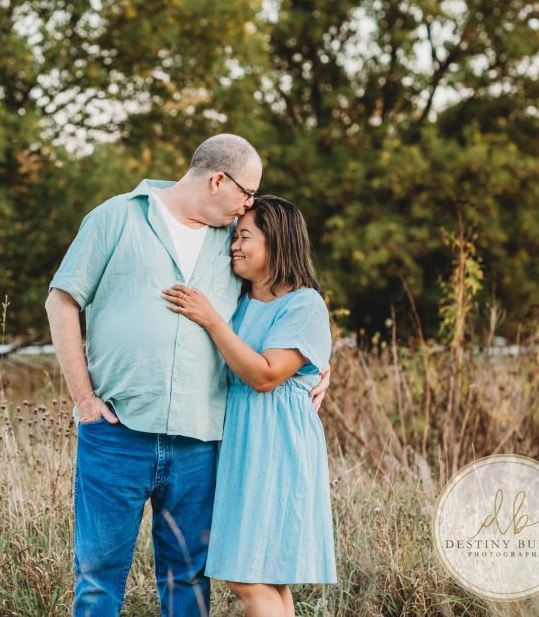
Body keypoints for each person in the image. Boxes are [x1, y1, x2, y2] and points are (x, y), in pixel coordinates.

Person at [44, 134, 330, 617]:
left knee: (188, 581)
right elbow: (62, 300)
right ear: (218, 179)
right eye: (246, 193)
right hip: (118, 431)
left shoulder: (232, 240)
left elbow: (287, 297)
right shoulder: (116, 217)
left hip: (203, 440)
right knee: (97, 577)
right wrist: (85, 399)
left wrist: (319, 364)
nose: (249, 205)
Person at [160, 196, 337, 617]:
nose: (233, 246)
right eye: (233, 237)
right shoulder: (239, 299)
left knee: (247, 576)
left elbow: (264, 375)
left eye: (244, 236)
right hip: (243, 441)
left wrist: (211, 319)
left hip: (277, 445)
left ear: (276, 241)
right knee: (267, 574)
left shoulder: (304, 303)